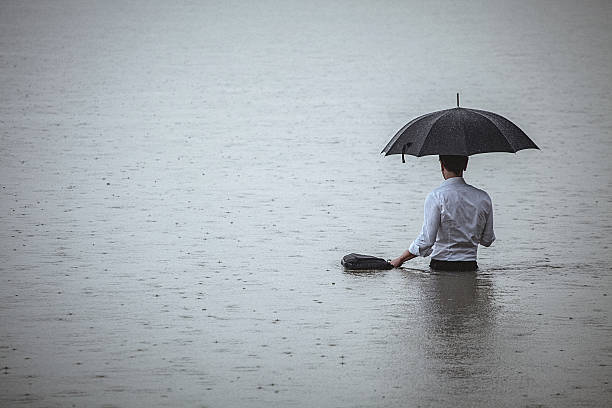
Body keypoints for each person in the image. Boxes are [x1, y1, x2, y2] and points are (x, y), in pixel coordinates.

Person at [389, 155, 495, 271]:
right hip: (470, 267)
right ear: (465, 165)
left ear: (441, 165)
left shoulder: (436, 196)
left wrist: (400, 259)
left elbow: (427, 240)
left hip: (442, 266)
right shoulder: (483, 197)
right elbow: (487, 240)